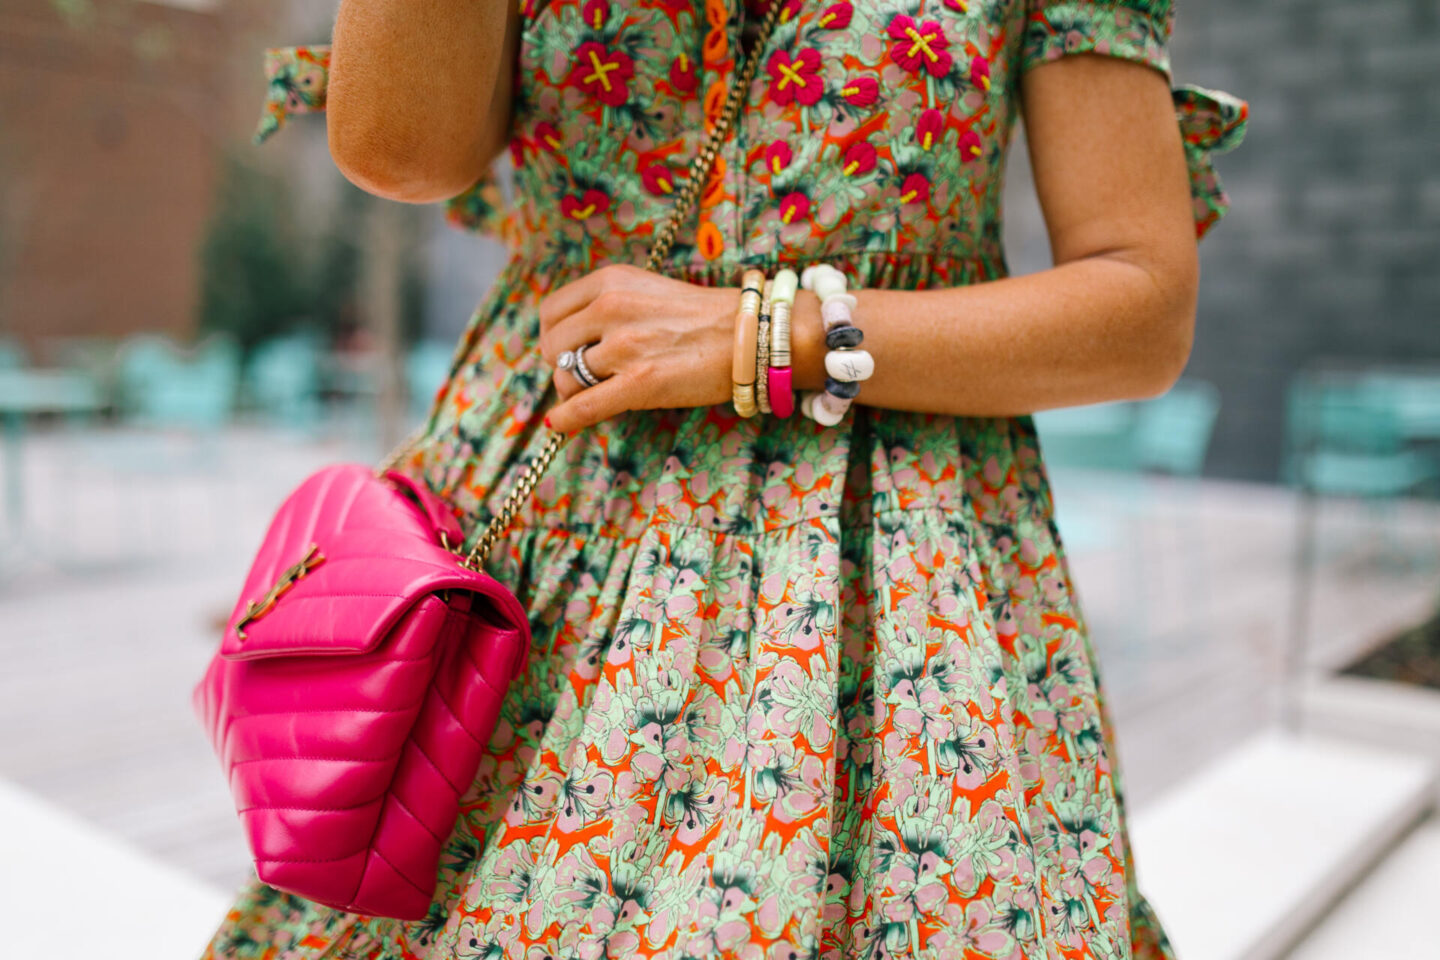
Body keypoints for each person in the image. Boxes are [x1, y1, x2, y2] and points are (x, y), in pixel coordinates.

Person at [204, 1, 1246, 957]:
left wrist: (770, 333)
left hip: (888, 573)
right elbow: (398, 146)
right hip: (554, 518)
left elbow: (1142, 303)